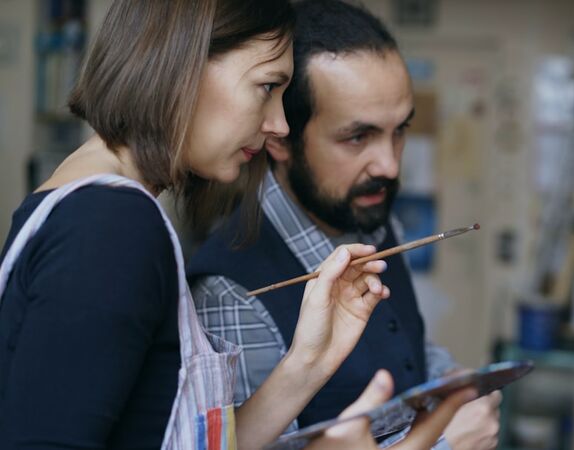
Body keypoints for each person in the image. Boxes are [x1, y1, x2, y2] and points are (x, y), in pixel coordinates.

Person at [0, 1, 474, 449]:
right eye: (268, 87)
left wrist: (308, 362)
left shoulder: (89, 208)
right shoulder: (111, 226)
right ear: (180, 67)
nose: (279, 126)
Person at [188, 1, 501, 448]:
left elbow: (406, 347)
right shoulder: (229, 290)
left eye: (400, 130)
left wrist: (450, 381)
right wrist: (443, 443)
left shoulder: (365, 213)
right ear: (281, 138)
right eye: (358, 137)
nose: (390, 166)